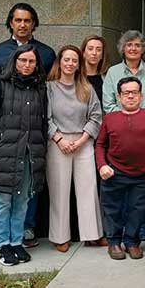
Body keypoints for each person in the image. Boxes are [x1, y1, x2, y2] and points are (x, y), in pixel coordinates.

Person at [0, 3, 55, 248]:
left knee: (27, 192)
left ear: (34, 23)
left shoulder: (46, 53)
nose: (23, 24)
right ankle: (2, 240)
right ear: (11, 23)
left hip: (31, 138)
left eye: (27, 20)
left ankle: (24, 233)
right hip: (7, 139)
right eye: (18, 20)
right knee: (4, 195)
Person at [96, 77, 145, 260]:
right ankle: (113, 242)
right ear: (119, 97)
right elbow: (100, 145)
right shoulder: (110, 118)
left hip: (143, 173)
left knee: (138, 209)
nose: (130, 96)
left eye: (134, 92)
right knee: (112, 209)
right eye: (126, 93)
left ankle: (132, 242)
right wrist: (102, 165)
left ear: (141, 95)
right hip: (114, 172)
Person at [46, 45, 105, 252]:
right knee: (59, 191)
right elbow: (45, 117)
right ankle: (60, 236)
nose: (70, 64)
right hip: (57, 143)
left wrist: (81, 140)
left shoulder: (86, 88)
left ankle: (92, 234)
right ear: (60, 62)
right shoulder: (49, 88)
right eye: (66, 60)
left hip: (83, 141)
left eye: (74, 61)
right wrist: (59, 139)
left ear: (79, 64)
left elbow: (97, 116)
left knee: (88, 189)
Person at [102, 30, 145, 115]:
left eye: (137, 45)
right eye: (129, 45)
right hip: (119, 124)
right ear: (123, 48)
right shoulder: (112, 72)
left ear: (143, 50)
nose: (133, 49)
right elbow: (108, 104)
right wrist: (127, 119)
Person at [81, 35, 110, 110]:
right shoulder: (74, 76)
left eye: (98, 50)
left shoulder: (107, 78)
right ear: (83, 52)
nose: (94, 53)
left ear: (102, 55)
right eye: (90, 49)